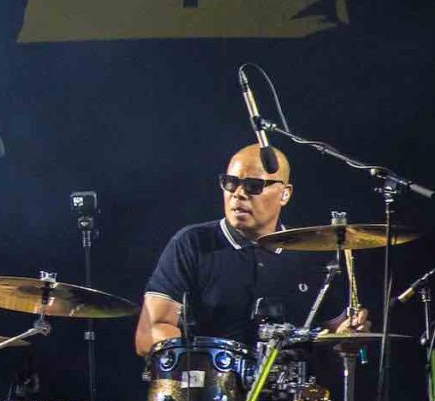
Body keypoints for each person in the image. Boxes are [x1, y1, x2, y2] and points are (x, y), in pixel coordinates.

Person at [135, 142, 359, 354]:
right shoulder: (193, 243)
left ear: (285, 193)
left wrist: (350, 332)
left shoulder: (309, 254)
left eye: (253, 186)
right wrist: (196, 365)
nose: (238, 193)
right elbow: (150, 333)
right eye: (230, 183)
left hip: (289, 388)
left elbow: (337, 331)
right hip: (213, 386)